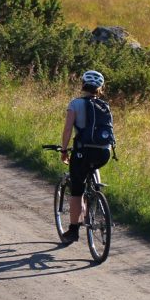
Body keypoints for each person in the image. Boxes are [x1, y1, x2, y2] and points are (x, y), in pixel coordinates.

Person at [59, 69, 113, 244]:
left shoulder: (75, 104)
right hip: (104, 153)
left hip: (83, 152)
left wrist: (64, 150)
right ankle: (95, 194)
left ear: (83, 84)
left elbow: (68, 129)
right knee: (93, 168)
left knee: (77, 191)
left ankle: (74, 230)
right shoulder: (105, 106)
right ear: (100, 88)